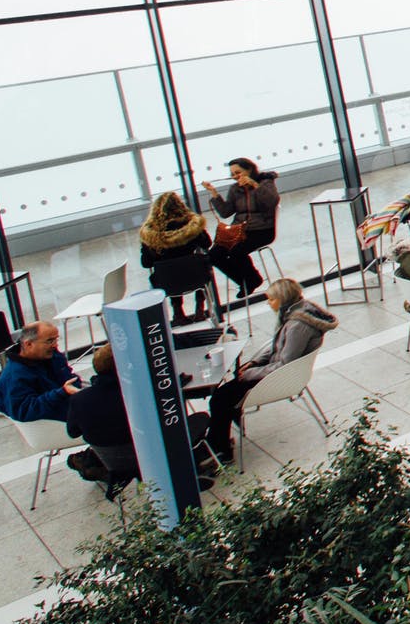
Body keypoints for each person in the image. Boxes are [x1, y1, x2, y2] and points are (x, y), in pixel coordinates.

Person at [202, 279, 338, 458]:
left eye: (271, 299)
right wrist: (255, 362)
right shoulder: (296, 314)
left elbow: (284, 364)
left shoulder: (298, 325)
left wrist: (250, 373)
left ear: (283, 300)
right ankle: (220, 441)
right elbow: (277, 346)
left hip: (280, 377)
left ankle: (220, 449)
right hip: (275, 371)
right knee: (224, 395)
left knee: (220, 398)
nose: (268, 303)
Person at [62, 343, 139, 491]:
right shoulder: (135, 392)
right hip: (146, 455)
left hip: (113, 462)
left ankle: (92, 463)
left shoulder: (79, 400)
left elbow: (73, 432)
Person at [202, 157, 280, 296]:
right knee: (213, 255)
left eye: (238, 172)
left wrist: (255, 185)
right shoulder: (235, 189)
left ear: (249, 169)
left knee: (236, 252)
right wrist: (214, 193)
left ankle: (251, 280)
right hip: (239, 230)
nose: (236, 176)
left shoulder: (266, 183)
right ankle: (247, 280)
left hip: (262, 230)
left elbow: (271, 202)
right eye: (233, 174)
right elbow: (226, 212)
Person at [139, 190, 213, 323]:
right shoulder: (191, 225)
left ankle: (178, 313)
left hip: (167, 283)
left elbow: (146, 263)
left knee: (168, 268)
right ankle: (200, 309)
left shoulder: (151, 234)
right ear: (180, 206)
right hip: (196, 277)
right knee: (196, 264)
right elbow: (207, 243)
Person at [0, 322, 79, 424]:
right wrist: (61, 393)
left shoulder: (52, 355)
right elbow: (23, 411)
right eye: (50, 341)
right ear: (28, 344)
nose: (55, 345)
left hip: (68, 406)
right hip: (54, 422)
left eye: (56, 339)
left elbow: (68, 377)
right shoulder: (15, 375)